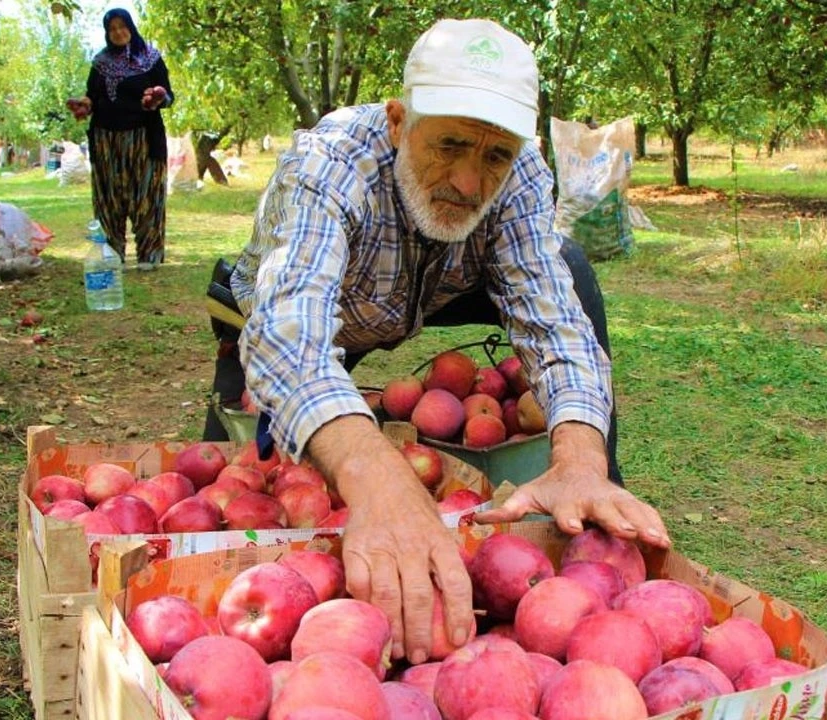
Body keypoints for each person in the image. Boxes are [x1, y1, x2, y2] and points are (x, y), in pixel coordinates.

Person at [203, 18, 672, 666]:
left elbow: (552, 315)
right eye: (449, 145)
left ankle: (591, 489)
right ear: (398, 123)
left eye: (493, 156)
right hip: (309, 308)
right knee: (230, 480)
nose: (469, 182)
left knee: (572, 268)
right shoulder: (330, 161)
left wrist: (581, 454)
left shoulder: (517, 175)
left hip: (438, 288)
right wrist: (377, 476)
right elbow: (289, 335)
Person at [67, 9, 173, 270]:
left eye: (122, 26)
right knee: (109, 199)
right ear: (107, 33)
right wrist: (84, 105)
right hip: (106, 141)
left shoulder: (151, 58)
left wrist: (157, 97)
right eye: (112, 28)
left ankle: (149, 255)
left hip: (144, 140)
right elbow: (93, 95)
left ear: (131, 27)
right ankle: (111, 255)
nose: (118, 32)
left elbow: (168, 96)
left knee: (147, 195)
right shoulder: (100, 63)